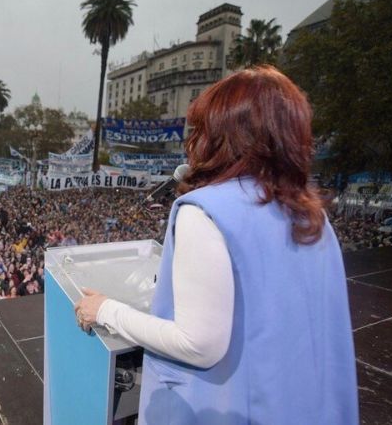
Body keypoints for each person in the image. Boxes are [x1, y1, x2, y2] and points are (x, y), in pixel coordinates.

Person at [75, 66, 358, 424]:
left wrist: (105, 310)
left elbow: (199, 344)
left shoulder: (204, 211)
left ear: (222, 134)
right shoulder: (310, 214)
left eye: (201, 127)